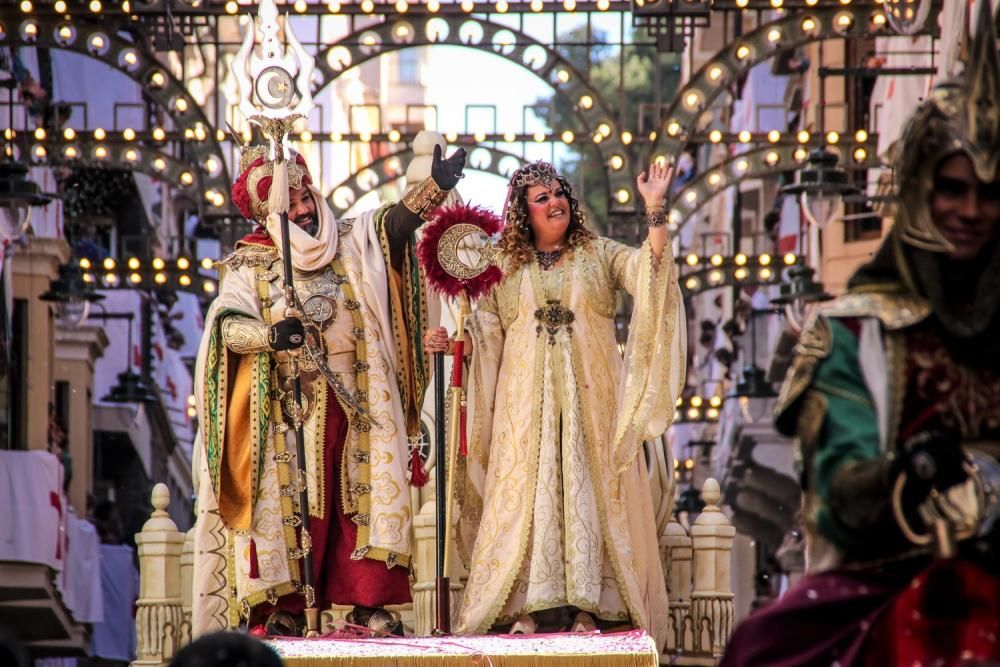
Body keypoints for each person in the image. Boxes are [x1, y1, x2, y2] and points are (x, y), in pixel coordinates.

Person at [722, 4, 1000, 664]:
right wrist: (901, 474)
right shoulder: (847, 330)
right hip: (898, 577)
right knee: (763, 648)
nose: (971, 211)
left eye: (990, 192)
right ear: (918, 193)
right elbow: (836, 491)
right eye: (952, 188)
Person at [191, 140, 466, 637]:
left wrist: (434, 190)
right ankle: (288, 608)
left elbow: (395, 227)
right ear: (266, 215)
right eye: (287, 205)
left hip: (359, 400)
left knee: (359, 504)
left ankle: (369, 604)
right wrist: (269, 336)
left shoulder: (352, 238)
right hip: (286, 410)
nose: (301, 210)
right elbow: (226, 326)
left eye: (303, 197)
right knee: (296, 506)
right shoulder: (248, 267)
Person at [424, 161, 686, 646]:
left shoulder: (598, 254)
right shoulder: (505, 265)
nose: (554, 202)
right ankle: (525, 606)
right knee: (530, 492)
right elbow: (485, 331)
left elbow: (651, 277)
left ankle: (587, 607)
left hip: (591, 406)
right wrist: (454, 342)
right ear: (524, 213)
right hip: (524, 408)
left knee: (584, 489)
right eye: (541, 198)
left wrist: (655, 209)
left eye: (558, 192)